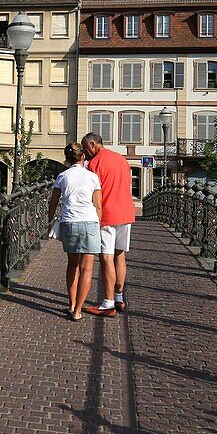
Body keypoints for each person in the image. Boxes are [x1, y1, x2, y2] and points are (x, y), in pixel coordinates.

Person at [47, 142, 102, 322]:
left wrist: (49, 221)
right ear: (83, 157)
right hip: (89, 222)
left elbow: (53, 203)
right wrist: (98, 225)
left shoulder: (62, 176)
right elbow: (98, 205)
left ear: (67, 158)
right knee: (87, 269)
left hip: (69, 222)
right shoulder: (92, 177)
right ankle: (78, 310)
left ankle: (71, 304)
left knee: (73, 265)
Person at [82, 132, 136, 313]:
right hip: (126, 211)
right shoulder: (121, 159)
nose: (85, 153)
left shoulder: (95, 163)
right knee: (120, 255)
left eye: (85, 149)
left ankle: (108, 303)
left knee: (106, 258)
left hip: (107, 214)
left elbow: (92, 192)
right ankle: (119, 297)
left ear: (92, 144)